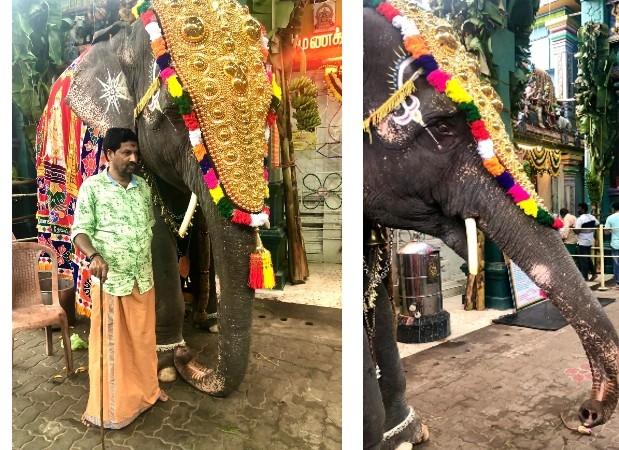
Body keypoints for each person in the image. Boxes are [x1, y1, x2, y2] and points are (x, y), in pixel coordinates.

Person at [72, 128, 167, 429]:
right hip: (113, 280)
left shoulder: (143, 188)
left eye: (135, 152)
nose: (133, 158)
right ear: (109, 154)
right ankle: (111, 410)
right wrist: (93, 256)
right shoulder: (93, 188)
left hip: (142, 276)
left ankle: (146, 394)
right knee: (113, 347)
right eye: (126, 152)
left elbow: (148, 227)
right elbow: (80, 231)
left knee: (143, 339)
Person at [574, 202, 599, 281]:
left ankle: (584, 277)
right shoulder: (592, 217)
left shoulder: (580, 219)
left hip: (582, 241)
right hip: (590, 240)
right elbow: (597, 224)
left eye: (579, 208)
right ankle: (594, 273)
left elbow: (577, 231)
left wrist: (573, 228)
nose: (578, 210)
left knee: (583, 259)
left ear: (583, 209)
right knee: (587, 258)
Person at [604, 202, 619, 289]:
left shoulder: (610, 218)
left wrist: (611, 230)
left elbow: (606, 232)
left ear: (613, 209)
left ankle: (618, 282)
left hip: (615, 243)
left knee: (616, 263)